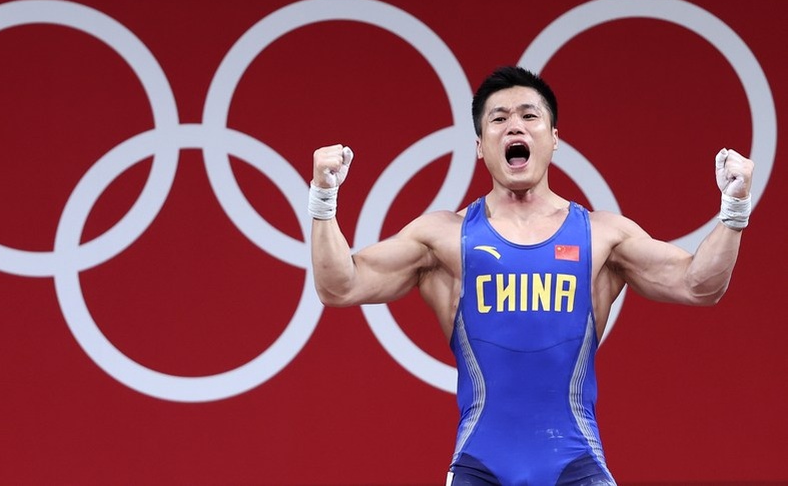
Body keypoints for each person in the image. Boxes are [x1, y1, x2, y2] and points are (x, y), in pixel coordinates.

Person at [308, 66, 754, 485]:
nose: (515, 126)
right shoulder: (441, 238)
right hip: (478, 468)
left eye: (529, 116)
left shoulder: (603, 236)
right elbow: (339, 286)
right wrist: (323, 200)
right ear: (481, 145)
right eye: (498, 119)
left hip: (578, 466)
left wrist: (733, 210)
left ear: (554, 138)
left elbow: (700, 285)